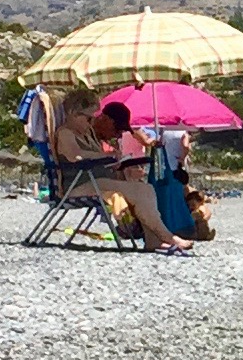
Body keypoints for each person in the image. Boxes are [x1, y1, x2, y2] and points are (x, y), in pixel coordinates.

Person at [52, 93, 190, 253]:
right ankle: (167, 237)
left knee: (145, 189)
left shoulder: (85, 134)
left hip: (94, 183)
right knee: (141, 191)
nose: (92, 122)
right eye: (89, 119)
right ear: (73, 114)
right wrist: (106, 156)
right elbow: (74, 156)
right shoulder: (65, 133)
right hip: (77, 186)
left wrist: (113, 160)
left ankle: (154, 239)